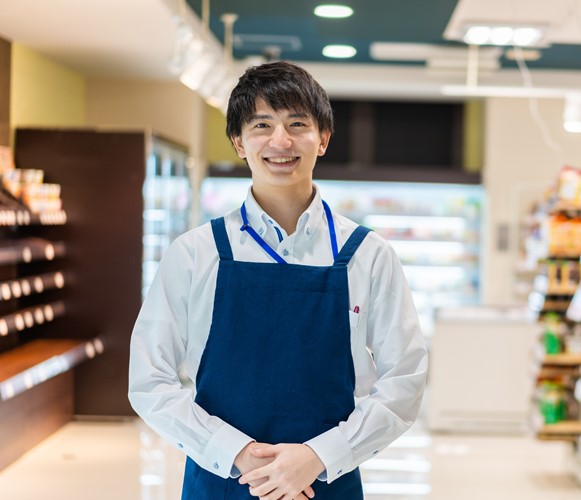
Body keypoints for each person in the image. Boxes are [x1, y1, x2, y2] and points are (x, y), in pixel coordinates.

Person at [129, 61, 428, 500]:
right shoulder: (195, 254)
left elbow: (406, 377)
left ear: (323, 139)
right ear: (238, 142)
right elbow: (148, 380)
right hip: (222, 480)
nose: (280, 141)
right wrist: (238, 453)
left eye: (298, 124)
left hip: (326, 482)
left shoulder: (368, 255)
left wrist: (319, 456)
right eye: (262, 125)